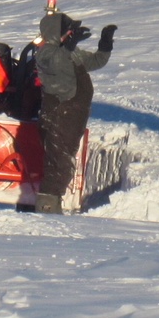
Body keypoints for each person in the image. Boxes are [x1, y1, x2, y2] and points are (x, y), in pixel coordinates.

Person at [35, 13, 116, 213]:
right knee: (59, 161)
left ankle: (52, 204)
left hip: (74, 114)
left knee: (65, 160)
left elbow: (96, 61)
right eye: (68, 31)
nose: (70, 34)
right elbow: (56, 62)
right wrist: (69, 45)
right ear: (57, 33)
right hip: (58, 113)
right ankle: (47, 207)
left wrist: (105, 44)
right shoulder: (45, 53)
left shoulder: (71, 52)